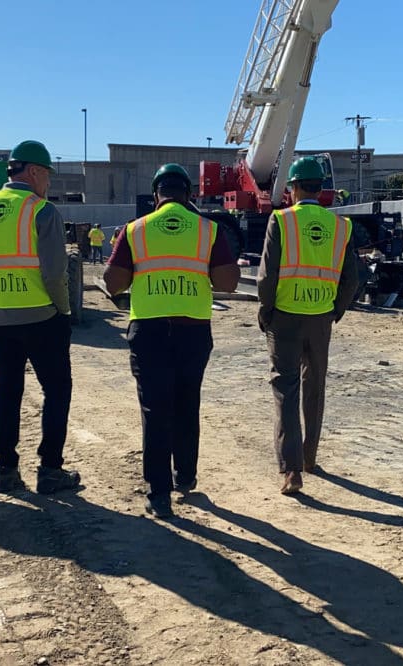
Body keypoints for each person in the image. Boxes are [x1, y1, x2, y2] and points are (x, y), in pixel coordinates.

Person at [103, 163, 239, 519]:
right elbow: (228, 283)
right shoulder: (208, 231)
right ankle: (186, 476)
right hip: (192, 330)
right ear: (189, 195)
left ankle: (159, 493)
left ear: (155, 195)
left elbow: (113, 282)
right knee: (186, 402)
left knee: (154, 408)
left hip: (148, 331)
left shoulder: (135, 231)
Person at [0, 140, 81, 495]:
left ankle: (6, 470)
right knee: (57, 390)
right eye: (47, 176)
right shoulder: (41, 211)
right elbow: (54, 272)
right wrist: (63, 310)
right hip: (42, 317)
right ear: (33, 172)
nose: (48, 184)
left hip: (0, 321)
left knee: (8, 390)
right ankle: (49, 469)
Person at [256, 156, 359, 496]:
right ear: (322, 188)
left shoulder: (281, 221)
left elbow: (267, 274)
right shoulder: (341, 226)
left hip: (285, 316)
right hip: (320, 318)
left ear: (294, 188)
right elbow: (352, 279)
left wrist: (265, 310)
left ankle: (291, 471)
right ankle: (310, 457)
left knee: (285, 390)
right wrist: (335, 311)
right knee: (315, 387)